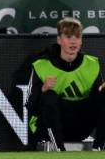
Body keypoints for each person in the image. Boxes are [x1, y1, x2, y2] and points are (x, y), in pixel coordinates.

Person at [26, 17, 105, 151]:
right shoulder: (42, 65)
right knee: (48, 96)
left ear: (81, 41)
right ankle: (59, 149)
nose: (73, 41)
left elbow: (99, 101)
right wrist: (42, 89)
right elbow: (29, 105)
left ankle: (99, 148)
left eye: (77, 36)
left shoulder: (92, 64)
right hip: (52, 125)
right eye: (68, 36)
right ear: (59, 40)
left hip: (82, 124)